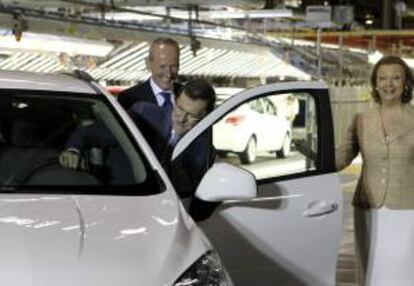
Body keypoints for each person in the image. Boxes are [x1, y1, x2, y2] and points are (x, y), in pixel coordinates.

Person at [335, 55, 414, 286]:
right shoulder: (361, 120)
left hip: (409, 210)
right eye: (383, 78)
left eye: (395, 78)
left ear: (406, 83)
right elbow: (341, 158)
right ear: (375, 83)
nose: (389, 84)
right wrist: (315, 155)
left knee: (406, 272)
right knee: (371, 274)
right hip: (369, 209)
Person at [128, 78, 217, 197]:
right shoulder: (142, 114)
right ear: (176, 100)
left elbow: (199, 200)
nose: (181, 119)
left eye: (192, 115)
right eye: (180, 108)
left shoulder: (205, 153)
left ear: (205, 117)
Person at [117, 37, 181, 127]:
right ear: (148, 64)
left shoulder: (189, 95)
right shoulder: (129, 99)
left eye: (174, 66)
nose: (169, 74)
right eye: (162, 66)